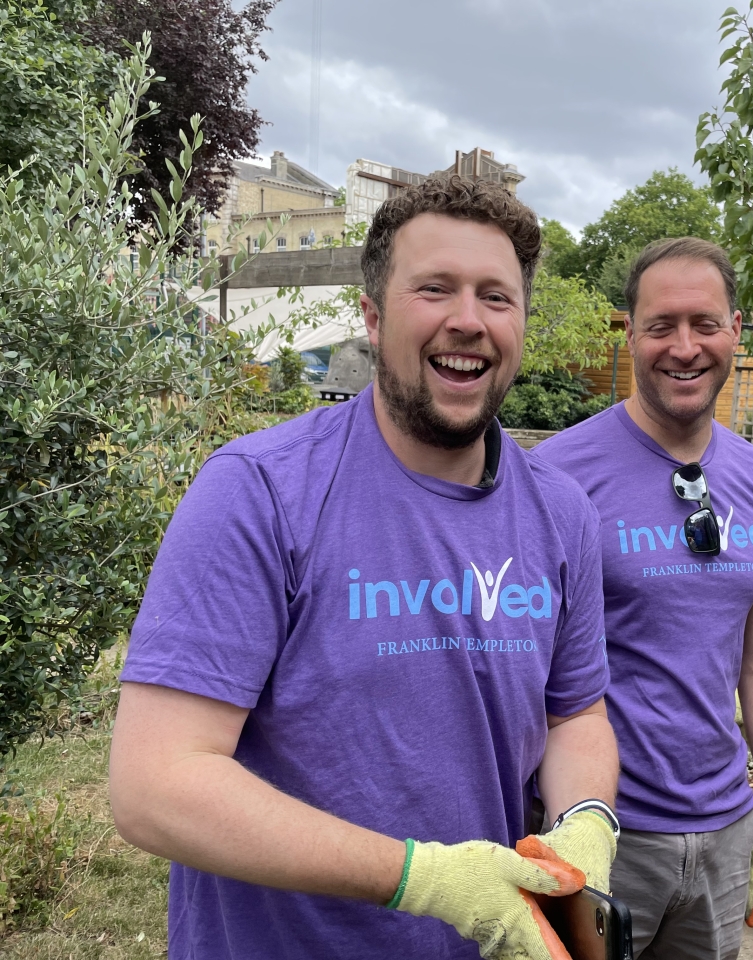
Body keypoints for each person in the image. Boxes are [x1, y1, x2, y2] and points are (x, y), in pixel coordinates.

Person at [109, 176, 621, 960]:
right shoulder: (261, 494)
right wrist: (419, 879)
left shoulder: (562, 512)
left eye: (496, 297)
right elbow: (156, 787)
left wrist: (586, 820)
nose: (468, 320)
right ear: (374, 317)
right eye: (435, 289)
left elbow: (575, 716)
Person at [533, 237, 753, 960]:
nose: (684, 347)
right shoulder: (556, 477)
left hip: (727, 835)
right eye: (661, 326)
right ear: (629, 333)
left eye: (705, 323)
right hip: (599, 839)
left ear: (737, 330)